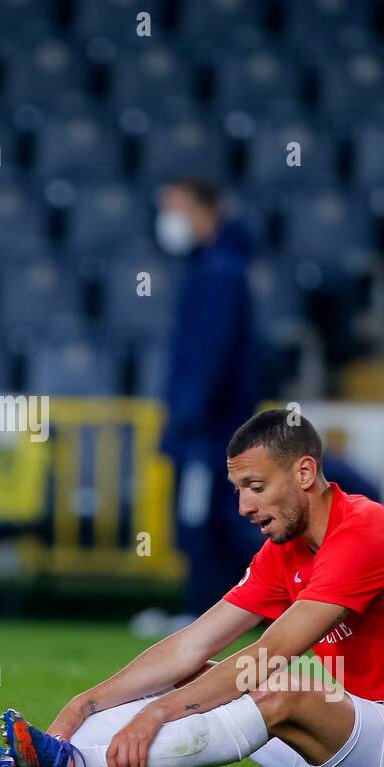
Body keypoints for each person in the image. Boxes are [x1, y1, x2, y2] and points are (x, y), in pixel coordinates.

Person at [0, 409, 384, 767]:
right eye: (238, 489)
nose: (242, 507)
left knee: (274, 681)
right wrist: (87, 702)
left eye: (255, 488)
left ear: (306, 473)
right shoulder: (284, 547)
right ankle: (51, 751)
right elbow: (192, 644)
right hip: (352, 733)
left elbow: (271, 655)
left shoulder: (364, 533)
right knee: (201, 673)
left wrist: (157, 714)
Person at [132, 178, 261, 637]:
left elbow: (208, 354)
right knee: (210, 518)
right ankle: (217, 615)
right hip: (213, 424)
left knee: (203, 521)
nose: (167, 220)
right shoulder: (215, 268)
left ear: (204, 213)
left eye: (176, 208)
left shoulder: (218, 272)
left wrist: (188, 417)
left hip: (211, 429)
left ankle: (206, 615)